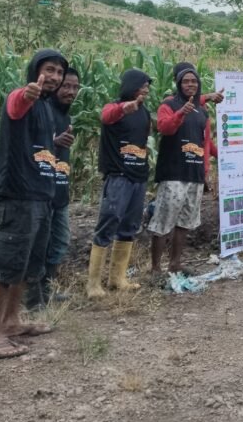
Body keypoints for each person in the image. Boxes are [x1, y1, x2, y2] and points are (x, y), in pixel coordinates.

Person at [0, 49, 67, 358]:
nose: (55, 77)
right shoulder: (23, 96)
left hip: (41, 195)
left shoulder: (46, 107)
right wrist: (28, 93)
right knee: (7, 266)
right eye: (49, 69)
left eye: (59, 72)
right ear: (35, 71)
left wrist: (56, 144)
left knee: (26, 264)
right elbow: (17, 104)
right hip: (18, 195)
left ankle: (12, 321)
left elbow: (35, 145)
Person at [148, 63, 223, 277]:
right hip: (173, 173)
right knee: (163, 220)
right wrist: (180, 113)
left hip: (195, 173)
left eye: (194, 81)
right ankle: (155, 269)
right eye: (186, 81)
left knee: (185, 222)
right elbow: (164, 127)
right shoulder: (169, 105)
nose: (190, 84)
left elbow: (205, 141)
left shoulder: (202, 111)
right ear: (178, 84)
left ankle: (175, 264)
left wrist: (221, 155)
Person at [87, 68, 152, 298]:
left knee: (130, 226)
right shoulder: (113, 107)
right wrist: (125, 108)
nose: (146, 90)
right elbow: (106, 117)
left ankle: (117, 278)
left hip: (138, 176)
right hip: (118, 176)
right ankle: (93, 284)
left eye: (147, 86)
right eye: (143, 85)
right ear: (131, 86)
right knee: (109, 221)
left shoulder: (144, 113)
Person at [26, 67, 79, 309]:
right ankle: (33, 296)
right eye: (66, 86)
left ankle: (47, 289)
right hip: (41, 192)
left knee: (59, 242)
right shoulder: (42, 111)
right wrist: (54, 142)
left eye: (75, 87)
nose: (70, 91)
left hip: (60, 191)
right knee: (38, 246)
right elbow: (30, 148)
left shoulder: (65, 117)